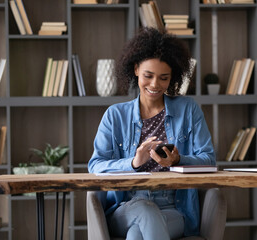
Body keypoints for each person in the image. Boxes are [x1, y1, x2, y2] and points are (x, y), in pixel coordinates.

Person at [88, 27, 216, 240]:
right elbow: (96, 165)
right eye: (148, 75)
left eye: (164, 78)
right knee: (144, 211)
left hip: (173, 207)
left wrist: (178, 160)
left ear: (172, 77)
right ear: (136, 69)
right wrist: (133, 163)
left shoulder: (188, 109)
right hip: (127, 206)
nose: (155, 84)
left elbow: (209, 159)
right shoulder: (114, 115)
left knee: (137, 235)